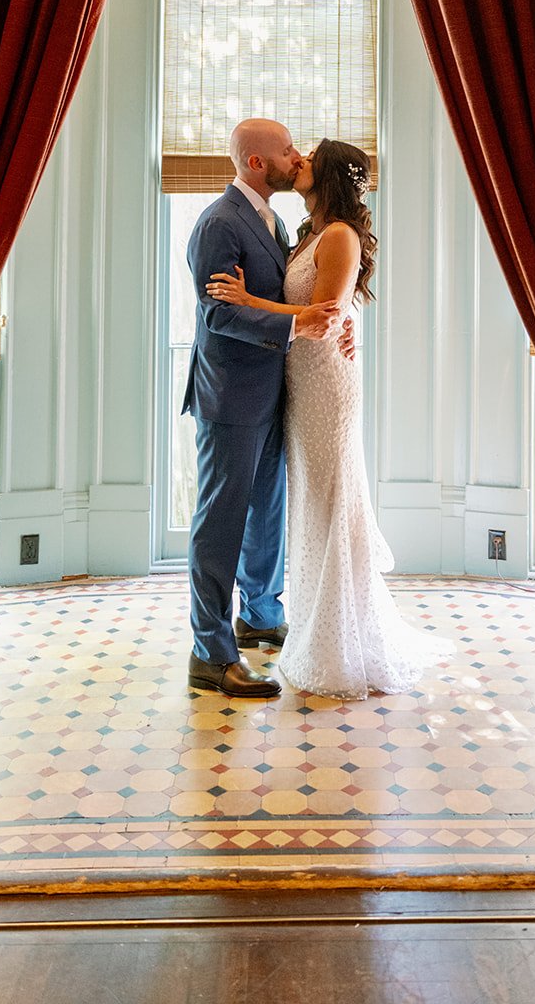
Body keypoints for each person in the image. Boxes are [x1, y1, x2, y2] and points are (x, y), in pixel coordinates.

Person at [207, 139, 440, 700]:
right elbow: (328, 308)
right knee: (310, 500)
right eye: (292, 153)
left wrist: (250, 301)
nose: (298, 162)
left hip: (327, 385)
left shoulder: (339, 236)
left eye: (307, 157)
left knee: (330, 498)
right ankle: (313, 626)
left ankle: (341, 640)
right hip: (300, 379)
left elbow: (328, 312)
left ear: (328, 175)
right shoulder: (309, 234)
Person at [183, 119, 344, 699]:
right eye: (286, 150)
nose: (295, 156)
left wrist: (330, 326)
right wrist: (297, 322)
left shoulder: (273, 222)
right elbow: (219, 315)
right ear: (257, 163)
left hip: (275, 390)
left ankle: (258, 612)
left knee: (265, 513)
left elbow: (300, 295)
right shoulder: (218, 224)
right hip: (229, 396)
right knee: (220, 521)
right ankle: (210, 652)